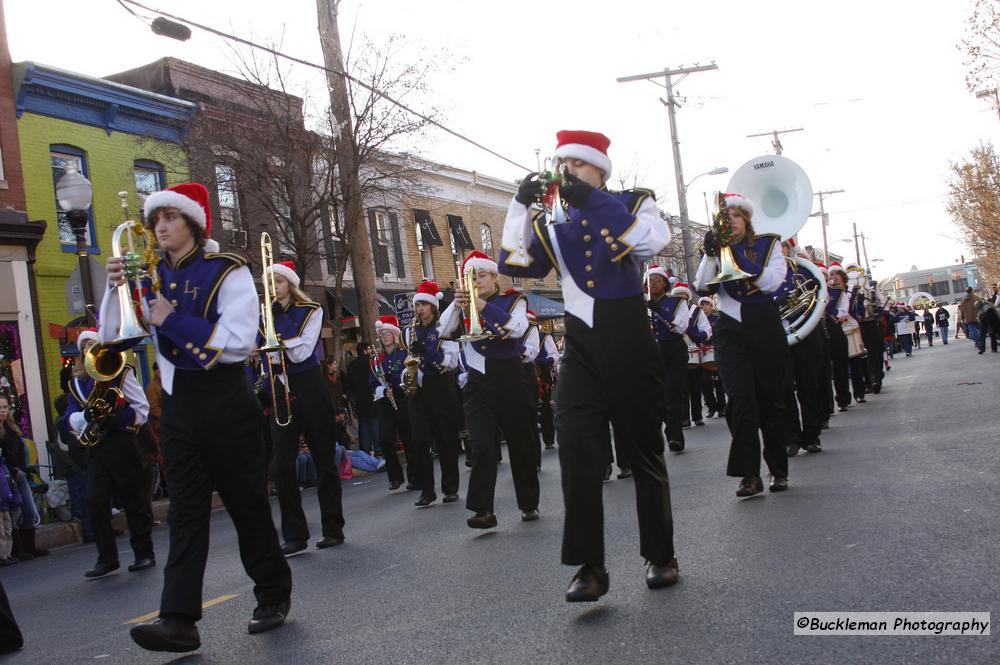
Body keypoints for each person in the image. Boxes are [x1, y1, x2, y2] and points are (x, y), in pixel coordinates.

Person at [102, 182, 291, 652]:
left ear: (193, 222)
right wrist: (116, 293)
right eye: (156, 220)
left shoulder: (228, 271)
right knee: (186, 513)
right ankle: (178, 620)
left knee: (246, 504)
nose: (161, 227)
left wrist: (172, 319)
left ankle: (272, 594)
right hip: (180, 404)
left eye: (170, 218)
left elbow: (237, 339)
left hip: (226, 401)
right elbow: (112, 336)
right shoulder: (148, 273)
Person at [500, 129, 677, 601]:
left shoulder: (634, 202)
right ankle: (589, 567)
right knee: (578, 453)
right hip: (580, 346)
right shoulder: (551, 221)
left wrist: (589, 199)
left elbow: (650, 242)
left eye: (576, 165)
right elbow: (515, 262)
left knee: (642, 452)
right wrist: (519, 205)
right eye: (562, 166)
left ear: (598, 168)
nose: (567, 173)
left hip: (629, 340)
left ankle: (661, 555)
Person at [693, 192, 791, 497]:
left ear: (746, 219)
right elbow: (700, 287)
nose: (730, 222)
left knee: (770, 399)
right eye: (726, 218)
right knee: (740, 401)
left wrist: (744, 262)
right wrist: (710, 255)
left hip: (763, 323)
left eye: (735, 216)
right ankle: (749, 475)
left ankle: (778, 468)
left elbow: (775, 281)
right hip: (730, 328)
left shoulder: (768, 244)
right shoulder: (718, 247)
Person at [440, 250, 539, 529]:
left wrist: (482, 306)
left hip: (510, 377)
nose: (477, 281)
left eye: (481, 275)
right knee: (481, 445)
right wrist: (457, 305)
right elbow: (443, 331)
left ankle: (529, 501)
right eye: (472, 277)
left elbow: (517, 329)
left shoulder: (513, 299)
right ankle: (483, 509)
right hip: (478, 381)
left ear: (495, 277)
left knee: (521, 443)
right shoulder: (462, 301)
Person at [264, 260, 346, 556]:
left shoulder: (311, 311)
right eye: (270, 281)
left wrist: (278, 324)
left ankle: (333, 528)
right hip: (281, 391)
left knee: (324, 460)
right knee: (281, 465)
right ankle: (295, 534)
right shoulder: (265, 316)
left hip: (310, 388)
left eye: (280, 280)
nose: (274, 286)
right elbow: (265, 356)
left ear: (291, 284)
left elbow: (301, 353)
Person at [65, 329, 156, 579]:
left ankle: (143, 552)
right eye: (85, 347)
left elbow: (142, 408)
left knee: (133, 500)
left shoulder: (121, 373)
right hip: (96, 448)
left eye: (94, 345)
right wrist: (85, 416)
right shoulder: (75, 385)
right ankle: (107, 558)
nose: (89, 351)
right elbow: (69, 420)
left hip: (121, 443)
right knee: (95, 500)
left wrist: (116, 417)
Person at [403, 281, 462, 506]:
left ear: (433, 306)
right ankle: (427, 490)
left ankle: (450, 488)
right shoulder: (410, 330)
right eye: (418, 305)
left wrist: (426, 351)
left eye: (424, 305)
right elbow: (407, 358)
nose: (420, 309)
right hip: (418, 391)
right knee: (418, 440)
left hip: (440, 386)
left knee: (445, 440)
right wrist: (406, 377)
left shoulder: (445, 327)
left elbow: (451, 362)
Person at [646, 265, 690, 453]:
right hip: (653, 353)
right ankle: (670, 428)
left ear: (665, 284)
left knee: (672, 393)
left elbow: (680, 327)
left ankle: (675, 435)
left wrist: (661, 312)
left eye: (657, 280)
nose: (653, 284)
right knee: (657, 396)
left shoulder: (677, 302)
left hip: (673, 351)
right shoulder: (642, 304)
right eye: (650, 281)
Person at [0, 395, 48, 560]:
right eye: (0, 408)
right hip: (8, 476)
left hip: (21, 475)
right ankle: (16, 549)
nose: (3, 411)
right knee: (13, 512)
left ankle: (30, 546)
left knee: (29, 511)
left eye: (5, 407)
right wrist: (13, 471)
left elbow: (20, 451)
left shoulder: (12, 428)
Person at [371, 316, 414, 491]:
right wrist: (381, 390)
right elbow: (371, 381)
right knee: (385, 439)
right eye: (382, 334)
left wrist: (395, 382)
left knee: (408, 438)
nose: (385, 336)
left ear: (395, 334)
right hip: (385, 401)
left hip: (402, 398)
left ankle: (414, 476)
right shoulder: (377, 359)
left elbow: (408, 375)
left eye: (388, 333)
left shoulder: (404, 354)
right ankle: (395, 477)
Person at [678, 283, 710, 428]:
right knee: (682, 387)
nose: (681, 299)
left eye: (683, 296)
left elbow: (706, 328)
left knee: (696, 386)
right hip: (678, 352)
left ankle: (697, 416)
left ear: (687, 297)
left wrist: (699, 335)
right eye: (678, 296)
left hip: (695, 351)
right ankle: (684, 417)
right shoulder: (671, 311)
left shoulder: (696, 311)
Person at [826, 265, 852, 411]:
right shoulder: (813, 291)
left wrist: (831, 311)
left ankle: (842, 399)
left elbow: (842, 312)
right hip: (817, 330)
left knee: (840, 366)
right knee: (822, 371)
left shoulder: (837, 293)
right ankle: (826, 405)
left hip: (834, 329)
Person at [346, 343, 379, 455]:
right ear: (365, 350)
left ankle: (365, 451)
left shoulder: (351, 366)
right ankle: (378, 449)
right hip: (372, 396)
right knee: (374, 423)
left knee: (363, 425)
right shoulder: (370, 362)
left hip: (360, 400)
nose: (370, 351)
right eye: (369, 348)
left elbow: (349, 385)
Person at [698, 297, 726, 418]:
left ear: (711, 306)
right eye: (702, 305)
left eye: (707, 305)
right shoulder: (697, 321)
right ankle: (711, 407)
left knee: (719, 382)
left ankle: (722, 407)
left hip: (716, 352)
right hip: (703, 354)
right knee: (705, 382)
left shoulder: (717, 319)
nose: (704, 307)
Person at [535, 326, 559, 450]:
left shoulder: (544, 337)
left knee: (545, 408)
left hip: (542, 375)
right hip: (523, 375)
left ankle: (548, 438)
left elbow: (554, 356)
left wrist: (542, 362)